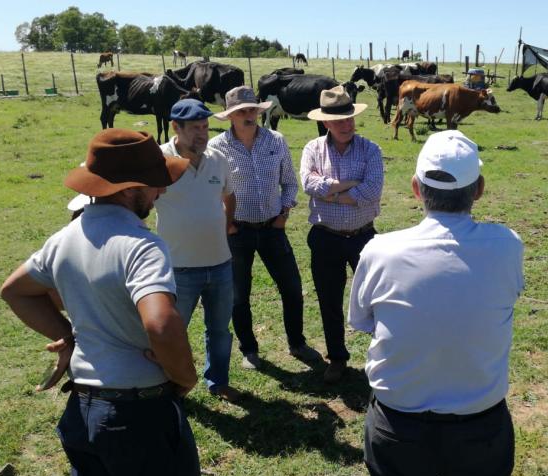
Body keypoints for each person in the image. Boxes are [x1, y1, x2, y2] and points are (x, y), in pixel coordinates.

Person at [0, 129, 210, 476]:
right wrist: (184, 377)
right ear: (130, 189)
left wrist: (68, 334)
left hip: (83, 411)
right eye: (155, 184)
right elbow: (161, 324)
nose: (161, 193)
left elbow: (15, 291)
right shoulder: (142, 246)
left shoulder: (63, 239)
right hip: (139, 415)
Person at [350, 130, 524, 476]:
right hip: (480, 426)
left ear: (415, 188)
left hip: (399, 424)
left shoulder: (380, 250)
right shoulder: (507, 246)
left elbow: (364, 321)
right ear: (478, 190)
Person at [208, 86, 320, 369]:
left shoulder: (276, 140)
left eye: (253, 110)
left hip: (273, 226)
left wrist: (284, 213)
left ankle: (297, 342)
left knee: (292, 288)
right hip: (237, 230)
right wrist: (228, 224)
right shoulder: (216, 148)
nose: (249, 115)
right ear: (231, 116)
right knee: (238, 294)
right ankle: (249, 349)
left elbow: (290, 183)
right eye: (242, 111)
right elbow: (210, 193)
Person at [156, 98, 240, 402]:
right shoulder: (158, 160)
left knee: (219, 330)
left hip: (219, 263)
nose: (202, 134)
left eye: (205, 127)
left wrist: (226, 227)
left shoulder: (217, 159)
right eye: (194, 128)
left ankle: (217, 381)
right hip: (178, 267)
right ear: (176, 127)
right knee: (171, 333)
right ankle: (168, 385)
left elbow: (229, 196)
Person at [301, 85, 384, 383]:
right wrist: (349, 185)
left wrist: (330, 191)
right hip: (325, 236)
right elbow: (309, 185)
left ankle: (383, 355)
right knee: (329, 299)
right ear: (325, 122)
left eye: (349, 118)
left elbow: (372, 191)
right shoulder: (312, 149)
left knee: (377, 298)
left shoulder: (371, 149)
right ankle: (337, 358)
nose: (347, 125)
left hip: (363, 236)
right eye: (339, 121)